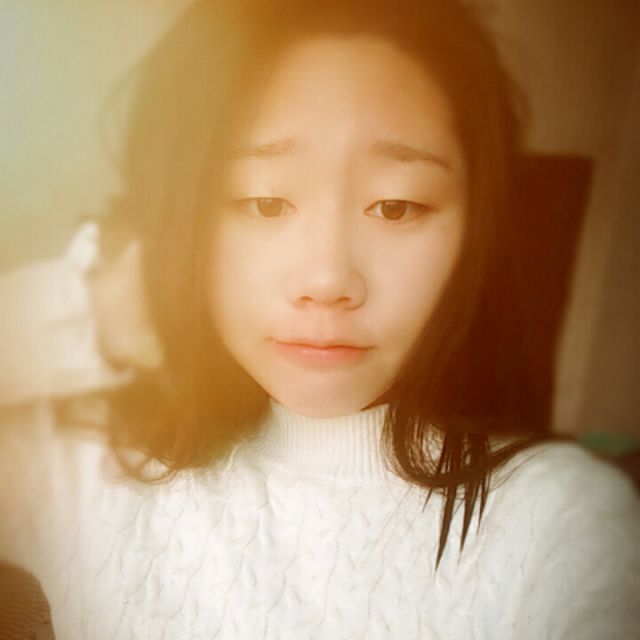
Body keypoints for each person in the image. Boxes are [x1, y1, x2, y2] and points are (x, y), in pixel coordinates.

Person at [0, 0, 638, 638]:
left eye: (396, 206)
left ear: (475, 229)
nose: (328, 281)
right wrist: (104, 311)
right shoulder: (86, 467)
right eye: (265, 201)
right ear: (183, 215)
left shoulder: (562, 518)